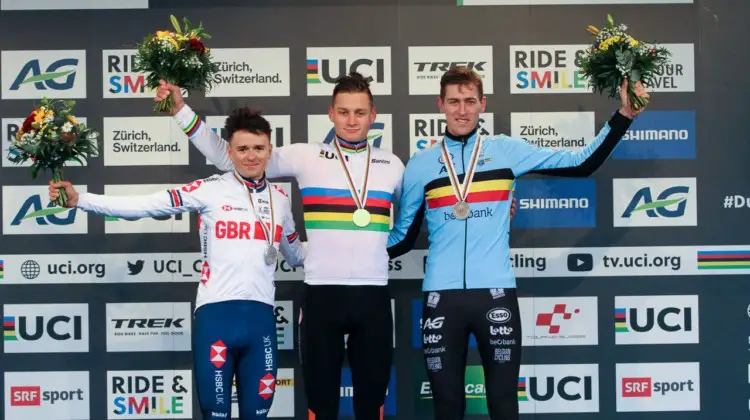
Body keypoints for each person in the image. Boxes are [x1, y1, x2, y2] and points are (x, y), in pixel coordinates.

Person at [387, 67, 648, 420]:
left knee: (504, 404)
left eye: (469, 101)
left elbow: (580, 163)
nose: (461, 111)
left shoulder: (506, 150)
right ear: (440, 105)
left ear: (483, 104)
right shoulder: (420, 166)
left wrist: (624, 116)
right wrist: (336, 256)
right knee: (447, 407)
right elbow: (401, 237)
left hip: (495, 295)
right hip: (441, 299)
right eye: (453, 102)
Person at [156, 73, 403, 420]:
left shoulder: (392, 165)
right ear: (330, 114)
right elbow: (233, 158)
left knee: (372, 403)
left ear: (373, 115)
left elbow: (412, 221)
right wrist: (181, 110)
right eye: (344, 112)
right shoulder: (306, 156)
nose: (352, 120)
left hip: (373, 296)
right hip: (321, 295)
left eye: (360, 113)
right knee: (321, 404)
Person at [49, 108, 305, 419]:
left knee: (258, 415)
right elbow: (145, 205)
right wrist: (83, 200)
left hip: (262, 320)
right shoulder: (210, 189)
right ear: (230, 151)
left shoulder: (280, 199)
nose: (251, 156)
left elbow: (296, 255)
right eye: (242, 149)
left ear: (269, 150)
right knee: (216, 414)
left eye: (259, 148)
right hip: (216, 317)